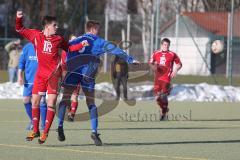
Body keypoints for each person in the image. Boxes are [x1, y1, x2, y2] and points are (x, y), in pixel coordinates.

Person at [58, 20, 139, 146]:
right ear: (91, 29)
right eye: (97, 29)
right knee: (91, 104)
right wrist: (129, 59)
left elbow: (65, 52)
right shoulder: (97, 41)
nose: (98, 31)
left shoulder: (75, 40)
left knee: (65, 98)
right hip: (87, 74)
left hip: (73, 72)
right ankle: (94, 132)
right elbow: (115, 49)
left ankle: (60, 126)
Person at [15, 10, 89, 144]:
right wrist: (18, 18)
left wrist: (80, 45)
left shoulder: (59, 39)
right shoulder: (36, 35)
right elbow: (19, 28)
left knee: (51, 104)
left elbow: (69, 48)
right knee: (35, 102)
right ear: (47, 26)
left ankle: (45, 133)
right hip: (40, 75)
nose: (57, 27)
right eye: (55, 25)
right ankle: (35, 130)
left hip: (54, 76)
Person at [149, 38, 182, 121]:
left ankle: (164, 113)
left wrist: (175, 70)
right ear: (161, 45)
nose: (166, 46)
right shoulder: (156, 53)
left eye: (167, 45)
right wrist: (154, 67)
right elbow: (150, 62)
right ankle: (164, 109)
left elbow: (179, 64)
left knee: (163, 95)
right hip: (157, 78)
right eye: (164, 44)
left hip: (166, 78)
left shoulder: (172, 54)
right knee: (157, 98)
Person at [18, 42, 47, 131]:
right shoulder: (27, 47)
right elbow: (21, 62)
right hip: (29, 80)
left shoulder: (44, 46)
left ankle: (43, 124)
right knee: (26, 100)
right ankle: (33, 121)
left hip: (41, 79)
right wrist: (19, 76)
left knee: (41, 101)